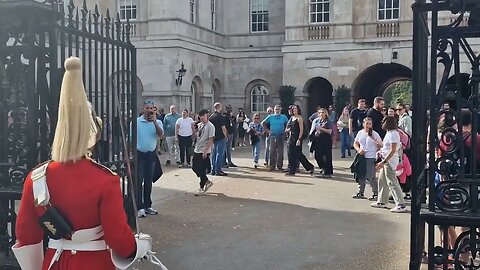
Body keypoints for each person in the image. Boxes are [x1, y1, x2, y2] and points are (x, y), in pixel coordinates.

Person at [13, 57, 152, 270]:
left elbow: (26, 236)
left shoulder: (37, 177)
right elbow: (118, 239)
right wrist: (137, 247)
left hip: (54, 263)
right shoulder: (105, 180)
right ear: (92, 132)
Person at [371, 116, 407, 213]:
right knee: (382, 180)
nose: (382, 123)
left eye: (384, 121)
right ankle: (382, 201)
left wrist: (384, 161)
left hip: (390, 161)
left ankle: (401, 204)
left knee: (392, 182)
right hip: (385, 158)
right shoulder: (389, 133)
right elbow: (386, 147)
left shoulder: (394, 134)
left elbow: (393, 150)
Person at [136, 99, 164, 217]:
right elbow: (130, 139)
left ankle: (148, 205)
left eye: (151, 108)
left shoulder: (158, 122)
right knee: (139, 180)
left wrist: (155, 123)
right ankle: (139, 206)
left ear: (154, 110)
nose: (149, 110)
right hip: (139, 153)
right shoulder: (136, 122)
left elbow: (161, 134)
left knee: (148, 181)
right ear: (143, 109)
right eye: (147, 108)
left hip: (151, 154)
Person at [352, 117, 382, 200]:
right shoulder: (360, 133)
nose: (368, 125)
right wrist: (359, 149)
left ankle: (376, 193)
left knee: (370, 176)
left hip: (371, 157)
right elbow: (355, 143)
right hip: (361, 156)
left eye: (370, 124)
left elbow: (381, 145)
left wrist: (375, 142)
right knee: (361, 174)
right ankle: (360, 192)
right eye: (367, 123)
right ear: (363, 124)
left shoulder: (375, 134)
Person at [285, 105, 315, 176]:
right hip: (290, 138)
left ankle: (310, 167)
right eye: (293, 109)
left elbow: (301, 130)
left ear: (298, 110)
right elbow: (287, 128)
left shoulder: (299, 118)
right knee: (290, 154)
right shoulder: (291, 118)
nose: (294, 110)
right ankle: (291, 171)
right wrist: (288, 130)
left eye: (296, 108)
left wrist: (299, 139)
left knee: (298, 154)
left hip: (297, 137)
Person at [192, 109, 215, 195]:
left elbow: (211, 139)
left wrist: (206, 151)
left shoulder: (210, 126)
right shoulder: (200, 125)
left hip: (204, 149)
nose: (201, 117)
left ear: (207, 116)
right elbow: (196, 136)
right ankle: (206, 181)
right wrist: (194, 131)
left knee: (201, 168)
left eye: (203, 116)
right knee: (194, 167)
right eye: (200, 116)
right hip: (197, 148)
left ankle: (202, 185)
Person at [262, 105, 289, 171]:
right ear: (274, 110)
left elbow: (288, 124)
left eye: (278, 109)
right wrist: (267, 131)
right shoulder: (270, 117)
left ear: (280, 110)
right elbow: (263, 123)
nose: (277, 111)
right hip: (272, 136)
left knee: (280, 152)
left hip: (281, 136)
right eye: (276, 109)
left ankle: (280, 166)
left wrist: (286, 130)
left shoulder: (284, 117)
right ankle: (272, 166)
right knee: (272, 151)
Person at [310, 108, 333, 178]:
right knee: (317, 155)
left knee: (327, 156)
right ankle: (323, 167)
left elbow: (330, 131)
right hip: (318, 139)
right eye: (320, 113)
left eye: (323, 112)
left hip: (326, 139)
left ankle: (328, 172)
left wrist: (321, 128)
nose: (322, 114)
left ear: (326, 113)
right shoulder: (317, 121)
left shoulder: (328, 121)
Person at [209, 102, 228, 176]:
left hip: (214, 136)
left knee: (214, 154)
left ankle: (213, 170)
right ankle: (218, 170)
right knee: (219, 154)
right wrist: (225, 136)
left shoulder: (211, 116)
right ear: (220, 107)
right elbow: (223, 128)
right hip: (220, 137)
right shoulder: (221, 117)